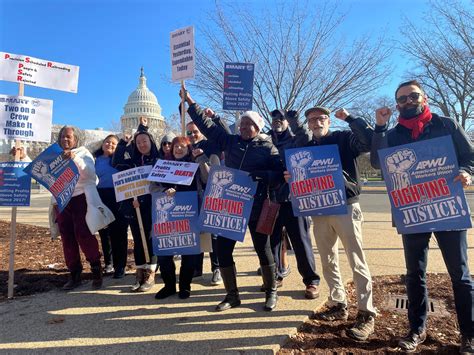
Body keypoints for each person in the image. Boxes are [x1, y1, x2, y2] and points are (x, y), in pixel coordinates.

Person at [370, 80, 474, 354]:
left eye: (412, 96)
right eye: (402, 99)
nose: (408, 102)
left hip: (446, 207)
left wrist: (466, 172)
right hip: (412, 212)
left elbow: (469, 156)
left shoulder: (446, 125)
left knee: (460, 274)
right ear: (397, 105)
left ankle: (469, 334)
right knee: (415, 274)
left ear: (423, 97)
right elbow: (376, 162)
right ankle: (417, 329)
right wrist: (380, 126)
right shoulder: (392, 135)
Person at [181, 84, 285, 312]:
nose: (246, 127)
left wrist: (263, 175)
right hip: (231, 206)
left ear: (258, 127)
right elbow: (208, 127)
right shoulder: (231, 142)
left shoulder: (268, 148)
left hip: (258, 204)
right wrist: (190, 102)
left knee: (263, 248)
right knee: (223, 250)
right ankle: (232, 295)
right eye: (243, 124)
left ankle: (271, 292)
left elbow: (279, 175)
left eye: (250, 124)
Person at [286, 106, 377, 341]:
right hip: (319, 208)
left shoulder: (343, 138)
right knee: (327, 260)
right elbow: (301, 173)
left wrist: (350, 119)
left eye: (321, 118)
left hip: (346, 205)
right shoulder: (307, 148)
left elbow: (367, 143)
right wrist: (292, 177)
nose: (316, 122)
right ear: (308, 124)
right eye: (312, 119)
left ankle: (366, 312)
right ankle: (338, 303)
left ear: (328, 121)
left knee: (356, 260)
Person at [267, 108, 320, 299]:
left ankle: (311, 281)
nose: (278, 121)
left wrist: (295, 120)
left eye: (281, 118)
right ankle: (275, 277)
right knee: (271, 243)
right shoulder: (265, 139)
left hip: (294, 199)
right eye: (274, 118)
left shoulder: (296, 138)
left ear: (287, 121)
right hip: (271, 198)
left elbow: (305, 138)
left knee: (301, 241)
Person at [53, 126, 114, 290]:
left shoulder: (83, 153)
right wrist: (21, 155)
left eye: (69, 137)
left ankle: (96, 269)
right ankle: (74, 273)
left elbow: (89, 174)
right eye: (63, 137)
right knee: (67, 238)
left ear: (75, 140)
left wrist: (73, 158)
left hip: (81, 198)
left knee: (84, 234)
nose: (65, 140)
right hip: (62, 201)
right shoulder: (54, 156)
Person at [153, 136, 210, 299]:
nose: (178, 149)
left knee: (190, 253)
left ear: (188, 149)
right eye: (176, 146)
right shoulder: (162, 165)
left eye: (182, 147)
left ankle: (185, 286)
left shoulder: (195, 165)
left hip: (189, 213)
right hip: (166, 215)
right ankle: (169, 285)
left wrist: (200, 159)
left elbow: (207, 179)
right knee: (164, 253)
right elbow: (152, 187)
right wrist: (163, 192)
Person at [112, 117, 159, 292]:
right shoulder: (132, 160)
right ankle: (139, 272)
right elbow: (116, 163)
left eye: (144, 141)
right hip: (134, 205)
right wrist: (123, 144)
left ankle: (150, 272)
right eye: (138, 142)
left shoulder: (157, 159)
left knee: (150, 238)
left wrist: (142, 127)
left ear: (150, 141)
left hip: (152, 206)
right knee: (138, 239)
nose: (141, 144)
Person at [185, 119, 222, 285]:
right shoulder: (186, 149)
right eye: (189, 133)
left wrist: (200, 158)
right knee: (196, 232)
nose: (192, 135)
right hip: (191, 197)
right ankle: (196, 268)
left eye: (195, 131)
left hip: (209, 194)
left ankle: (217, 268)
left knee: (213, 233)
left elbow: (210, 176)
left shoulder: (210, 147)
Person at [94, 134, 129, 278]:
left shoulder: (120, 159)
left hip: (119, 196)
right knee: (104, 232)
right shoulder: (94, 160)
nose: (110, 145)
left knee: (120, 232)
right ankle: (108, 263)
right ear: (102, 144)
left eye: (114, 144)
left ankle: (120, 266)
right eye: (107, 142)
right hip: (101, 196)